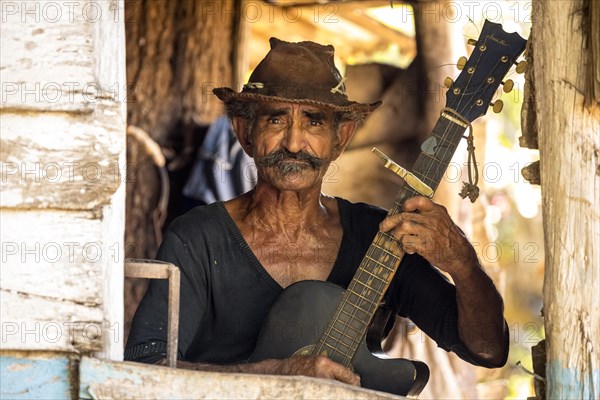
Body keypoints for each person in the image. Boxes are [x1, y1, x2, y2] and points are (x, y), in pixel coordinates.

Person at [125, 38, 508, 388]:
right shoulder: (197, 238)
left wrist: (462, 261)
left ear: (339, 139)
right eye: (276, 119)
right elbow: (145, 369)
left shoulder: (380, 237)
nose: (294, 142)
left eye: (313, 121)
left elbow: (488, 350)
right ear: (245, 133)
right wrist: (276, 374)